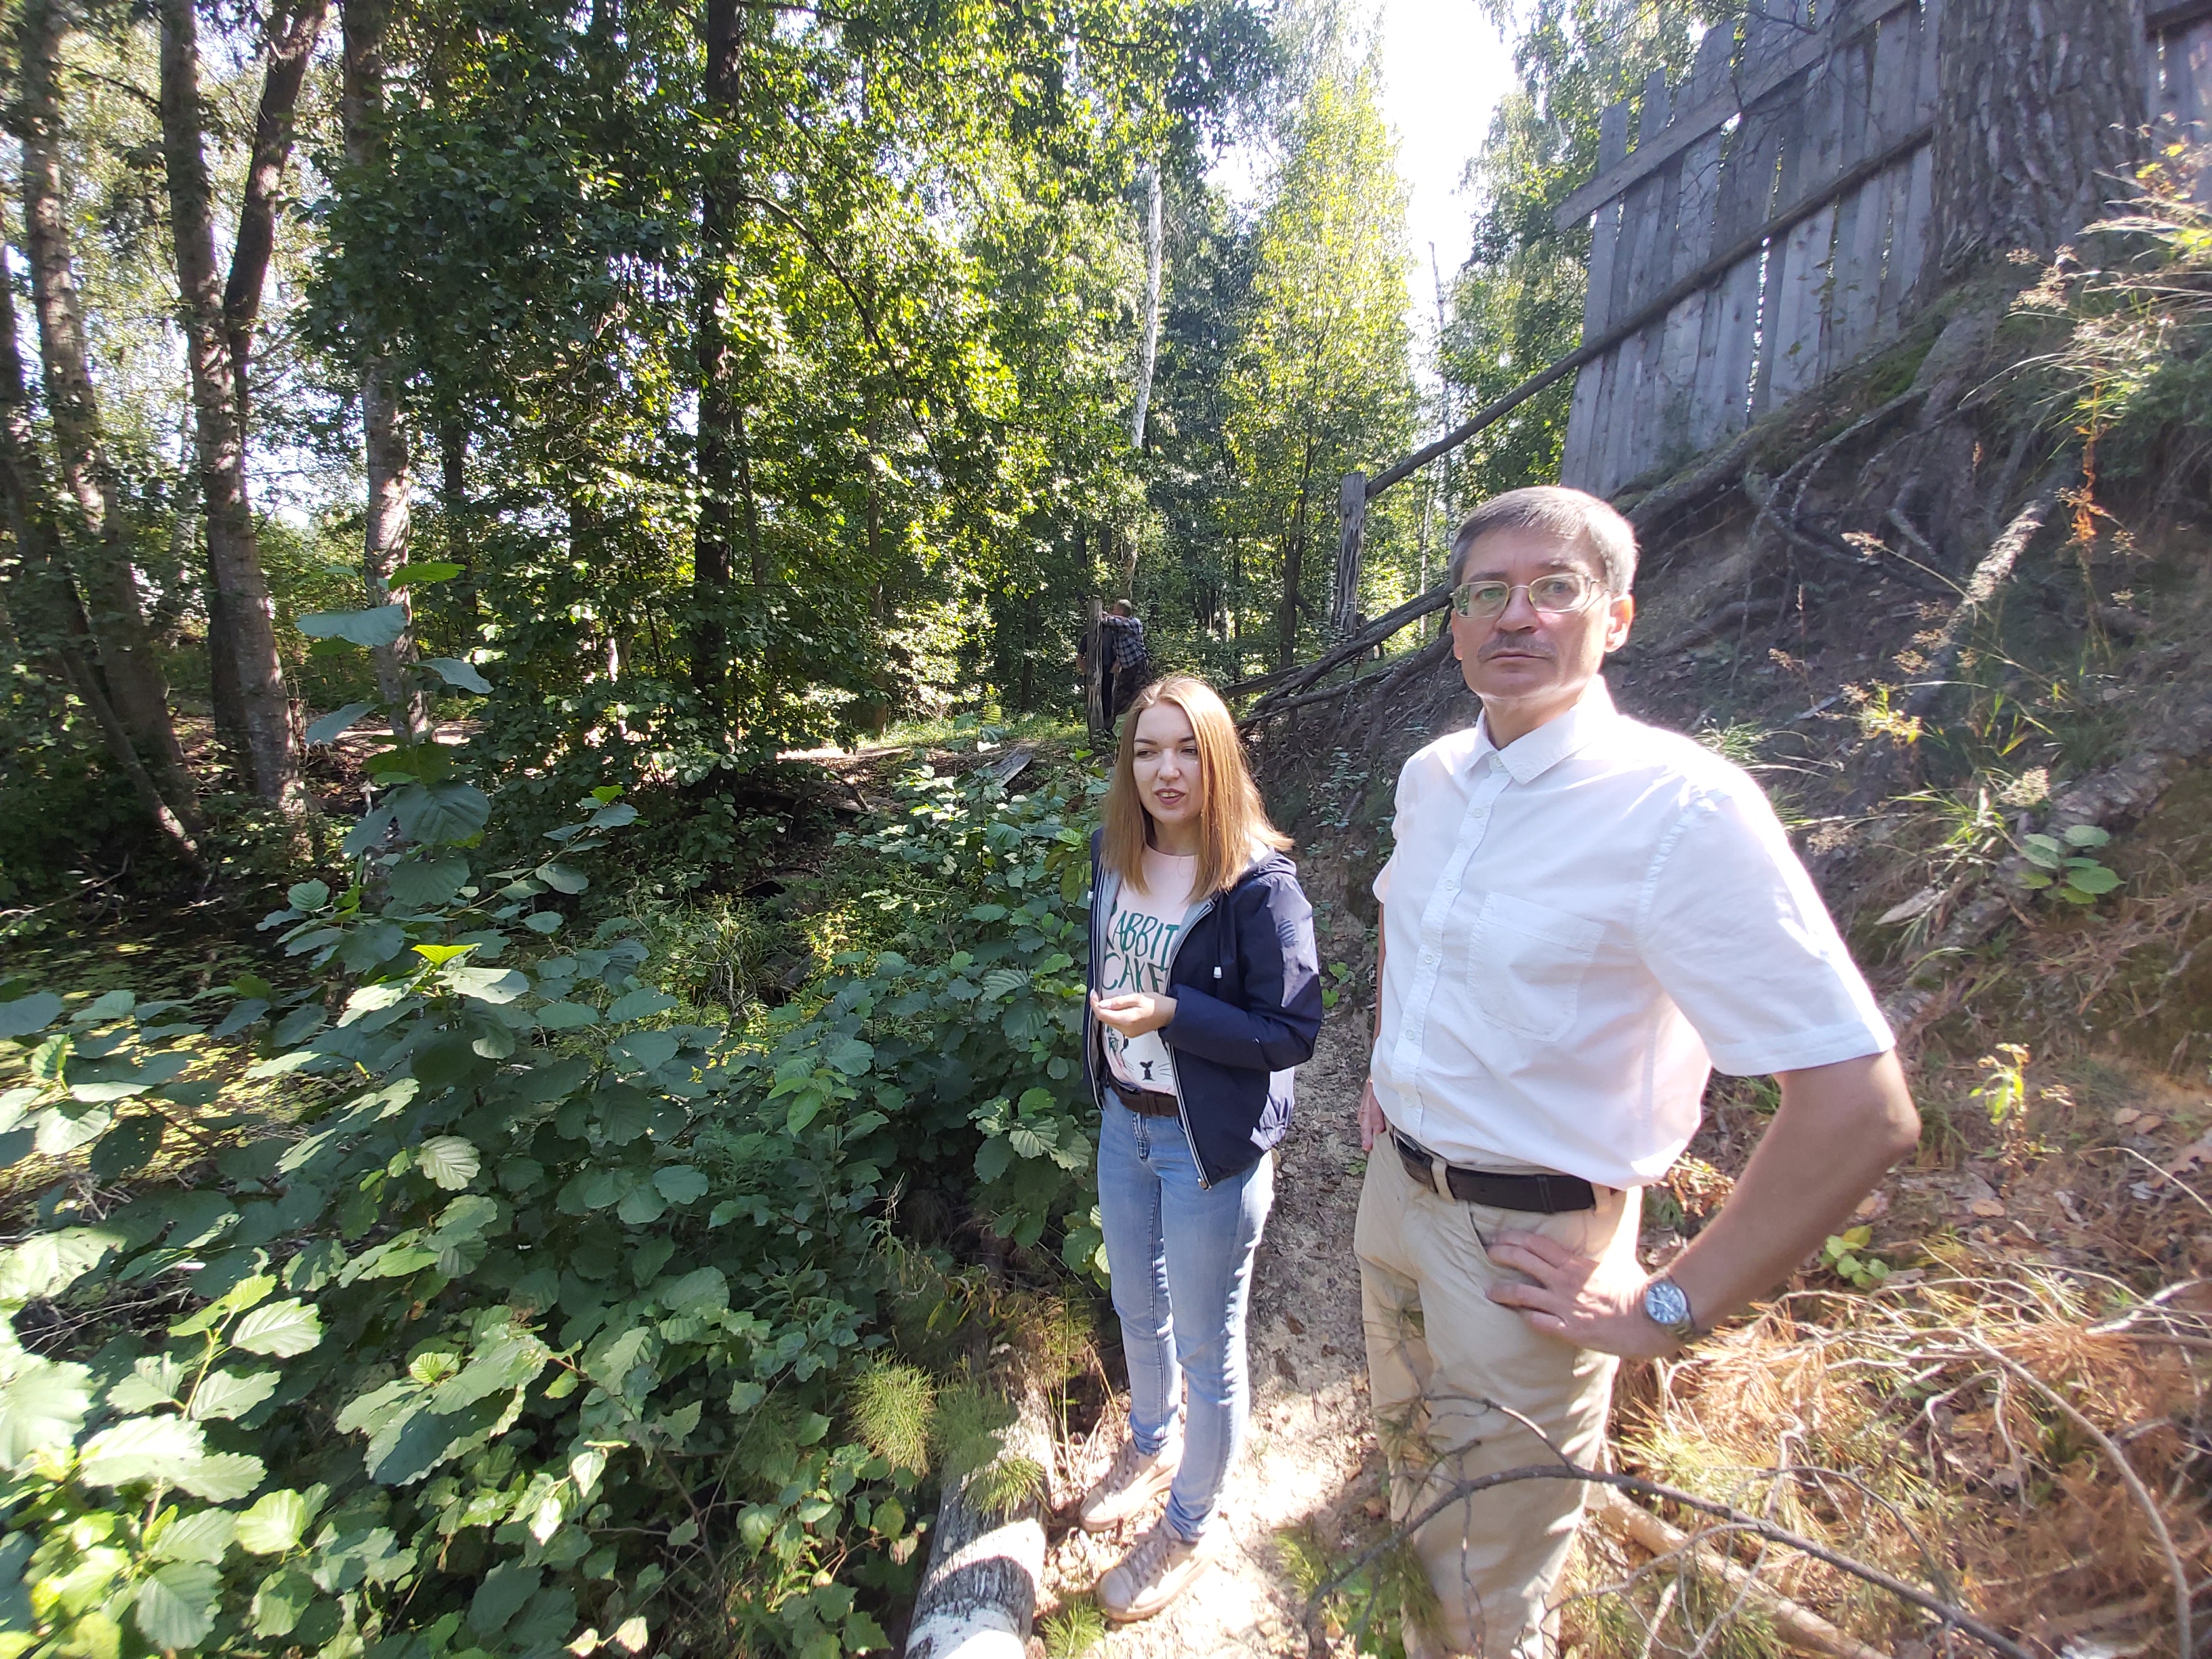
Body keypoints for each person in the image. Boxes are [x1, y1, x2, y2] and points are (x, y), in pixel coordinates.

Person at [1355, 487, 1919, 1658]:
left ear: (1614, 617)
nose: (1515, 615)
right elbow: (1405, 923)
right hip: (1392, 1200)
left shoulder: (1680, 809)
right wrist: (1385, 1064)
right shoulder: (1432, 776)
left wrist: (1670, 1306)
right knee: (1412, 1490)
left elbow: (1857, 1104)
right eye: (1485, 593)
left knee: (1486, 1585)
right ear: (1453, 628)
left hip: (1529, 1256)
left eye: (1552, 586)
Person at [1078, 673, 1324, 1622]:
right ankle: (1149, 1445)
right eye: (1147, 750)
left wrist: (1175, 1012)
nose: (1166, 770)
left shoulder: (1259, 884)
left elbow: (1291, 1031)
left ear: (1218, 758)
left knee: (1207, 1344)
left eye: (1186, 749)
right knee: (1136, 1308)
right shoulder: (1113, 854)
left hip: (1206, 1145)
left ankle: (1188, 1524)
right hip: (1124, 1120)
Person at [1098, 599, 1150, 724]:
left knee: (1142, 698)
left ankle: (1144, 725)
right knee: (1120, 701)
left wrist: (1104, 615)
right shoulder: (1118, 627)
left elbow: (1108, 621)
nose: (1112, 611)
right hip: (1127, 669)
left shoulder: (1134, 622)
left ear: (1121, 611)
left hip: (1139, 666)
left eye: (1114, 609)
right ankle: (1117, 728)